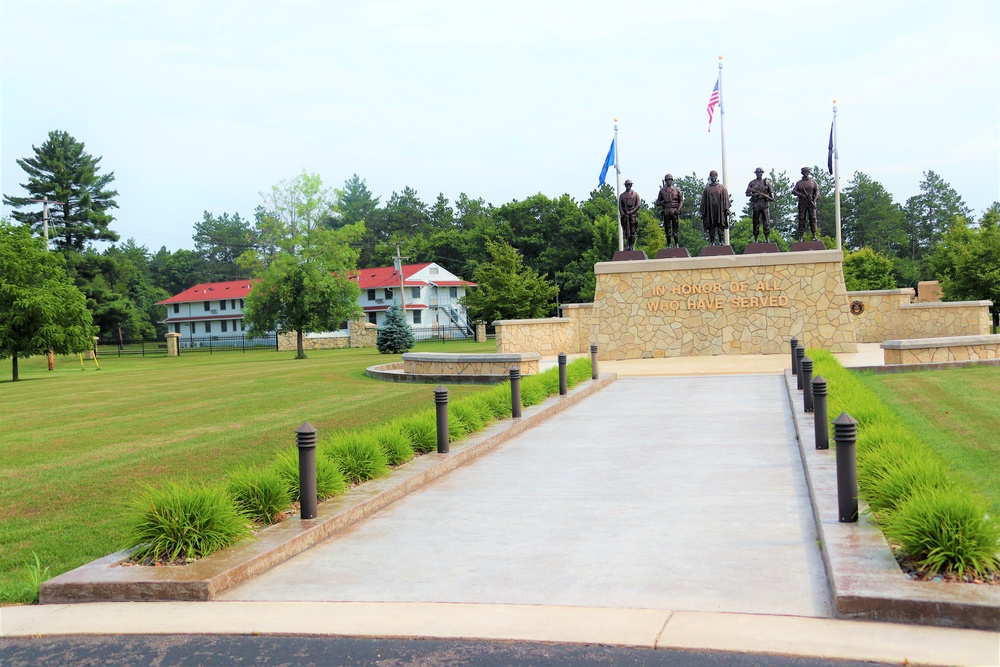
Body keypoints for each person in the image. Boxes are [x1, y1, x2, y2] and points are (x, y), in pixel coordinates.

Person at [699, 170, 730, 245]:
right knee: (711, 226)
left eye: (714, 176)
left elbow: (726, 199)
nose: (713, 177)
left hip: (720, 211)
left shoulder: (722, 188)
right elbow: (703, 202)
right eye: (712, 176)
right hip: (710, 211)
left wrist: (727, 209)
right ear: (710, 177)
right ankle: (712, 242)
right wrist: (703, 212)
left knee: (720, 226)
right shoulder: (707, 189)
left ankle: (721, 241)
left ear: (717, 176)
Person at [745, 167, 774, 243]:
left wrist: (770, 197)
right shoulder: (752, 183)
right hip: (756, 204)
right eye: (757, 173)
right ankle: (756, 239)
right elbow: (747, 193)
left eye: (760, 173)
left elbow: (771, 193)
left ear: (762, 173)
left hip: (764, 204)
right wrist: (754, 195)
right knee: (755, 222)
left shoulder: (766, 182)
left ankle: (767, 238)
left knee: (766, 222)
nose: (759, 174)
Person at [654, 174, 684, 248]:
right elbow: (657, 203)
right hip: (666, 211)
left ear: (672, 181)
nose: (669, 181)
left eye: (670, 180)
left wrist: (679, 209)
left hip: (674, 211)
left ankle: (676, 243)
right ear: (665, 181)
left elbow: (681, 200)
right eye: (667, 180)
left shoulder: (676, 190)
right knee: (667, 228)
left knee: (675, 228)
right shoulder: (662, 191)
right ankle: (669, 244)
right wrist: (662, 202)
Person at [791, 166, 820, 241]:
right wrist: (801, 195)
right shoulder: (799, 183)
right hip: (802, 203)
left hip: (811, 203)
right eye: (804, 172)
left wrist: (814, 200)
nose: (806, 173)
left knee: (813, 219)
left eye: (807, 172)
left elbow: (817, 192)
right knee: (801, 219)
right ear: (802, 173)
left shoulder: (813, 183)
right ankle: (801, 236)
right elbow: (794, 191)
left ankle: (814, 235)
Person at [618, 179, 641, 251]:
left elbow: (638, 205)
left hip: (633, 215)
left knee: (633, 231)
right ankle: (627, 244)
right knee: (626, 231)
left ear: (631, 185)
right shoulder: (622, 196)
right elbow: (620, 206)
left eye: (629, 184)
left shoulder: (635, 194)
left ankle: (632, 245)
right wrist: (623, 214)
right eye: (627, 185)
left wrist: (631, 212)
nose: (628, 186)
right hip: (625, 215)